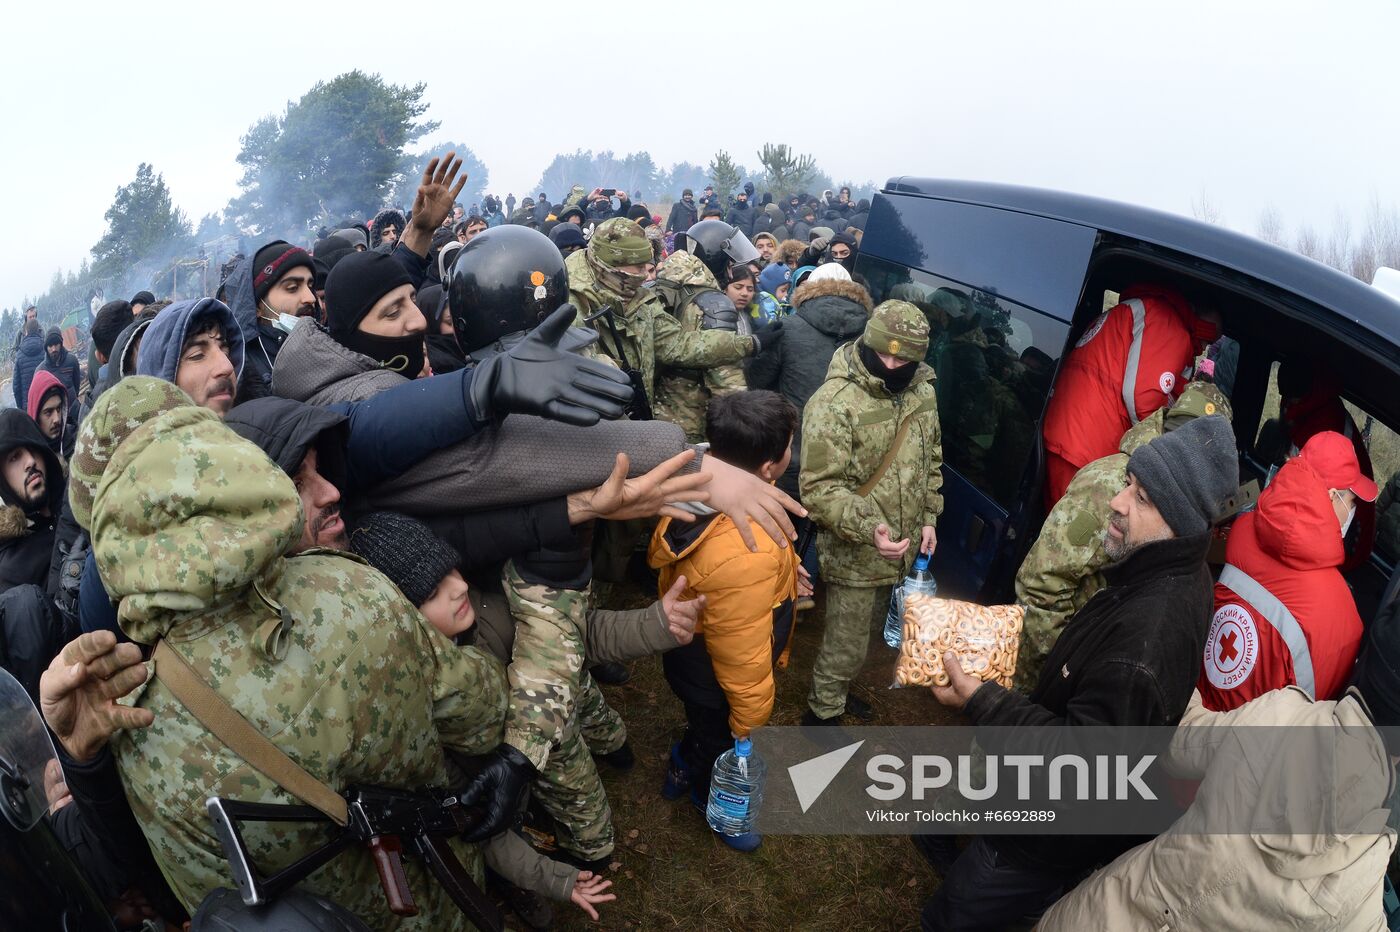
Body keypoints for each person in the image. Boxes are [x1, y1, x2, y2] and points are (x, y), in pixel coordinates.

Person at [66, 377, 512, 927]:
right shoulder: (350, 591)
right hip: (450, 893)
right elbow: (483, 716)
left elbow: (206, 903)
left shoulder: (140, 730)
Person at [923, 414, 1239, 930]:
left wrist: (982, 699)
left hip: (1037, 843)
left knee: (954, 918)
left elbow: (1077, 767)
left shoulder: (1146, 640)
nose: (1117, 502)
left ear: (1178, 520)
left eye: (1142, 499)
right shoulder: (1171, 572)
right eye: (1129, 484)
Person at [1037, 598, 1400, 931]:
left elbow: (1181, 745)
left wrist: (1166, 649)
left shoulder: (1279, 718)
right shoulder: (1361, 881)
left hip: (1099, 918)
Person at [650, 391, 800, 852]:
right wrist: (749, 718)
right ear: (772, 466)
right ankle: (706, 797)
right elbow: (742, 649)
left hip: (687, 657)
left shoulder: (694, 489)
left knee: (702, 723)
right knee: (718, 737)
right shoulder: (751, 545)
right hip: (717, 675)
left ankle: (681, 761)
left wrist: (788, 567)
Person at [1014, 381, 1232, 688]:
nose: (1124, 500)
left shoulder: (1173, 503)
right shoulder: (1105, 483)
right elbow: (1041, 584)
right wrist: (1055, 674)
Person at [799, 301, 942, 725]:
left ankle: (838, 694)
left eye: (905, 358)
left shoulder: (924, 391)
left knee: (870, 633)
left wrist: (930, 517)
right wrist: (870, 529)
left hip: (901, 548)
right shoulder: (834, 401)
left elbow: (931, 458)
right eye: (884, 353)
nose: (892, 364)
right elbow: (819, 488)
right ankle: (821, 714)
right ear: (866, 343)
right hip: (856, 550)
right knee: (846, 641)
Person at [1199, 430, 1376, 709]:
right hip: (1242, 747)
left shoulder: (1242, 531)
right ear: (1331, 498)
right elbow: (1314, 717)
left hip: (1193, 697)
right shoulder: (1344, 620)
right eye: (1351, 502)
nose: (1352, 513)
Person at [567, 218, 778, 413]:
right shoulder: (572, 303)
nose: (643, 276)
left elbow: (677, 343)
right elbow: (582, 374)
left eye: (646, 267)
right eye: (638, 268)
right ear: (612, 266)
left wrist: (748, 343)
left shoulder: (637, 298)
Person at [1040, 284, 1218, 507]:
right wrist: (1165, 460)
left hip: (1070, 433)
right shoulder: (1169, 325)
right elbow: (1144, 400)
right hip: (1087, 445)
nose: (1204, 348)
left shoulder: (1145, 311)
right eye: (1208, 339)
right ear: (1200, 319)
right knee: (1072, 535)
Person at [747, 264, 872, 506]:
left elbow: (756, 385)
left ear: (808, 290)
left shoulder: (787, 329)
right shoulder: (869, 337)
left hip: (790, 460)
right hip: (849, 464)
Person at [648, 240, 755, 443]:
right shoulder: (715, 305)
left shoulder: (658, 289)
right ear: (715, 258)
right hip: (692, 419)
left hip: (653, 410)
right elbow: (727, 383)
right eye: (729, 266)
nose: (730, 274)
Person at [0, 409, 63, 592]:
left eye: (34, 448)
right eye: (14, 457)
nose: (30, 461)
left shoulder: (76, 500)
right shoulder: (11, 572)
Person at [26, 370, 75, 463]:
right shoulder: (30, 461)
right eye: (48, 412)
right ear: (36, 416)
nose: (57, 419)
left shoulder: (76, 442)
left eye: (59, 409)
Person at [38, 328, 82, 402]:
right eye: (50, 346)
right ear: (46, 348)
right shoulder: (41, 370)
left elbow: (76, 384)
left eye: (56, 344)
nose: (54, 349)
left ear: (61, 344)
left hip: (74, 410)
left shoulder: (72, 361)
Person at [13, 319, 45, 412]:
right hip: (45, 400)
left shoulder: (19, 354)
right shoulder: (45, 350)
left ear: (26, 332)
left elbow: (16, 386)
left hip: (28, 405)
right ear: (38, 330)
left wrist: (21, 407)